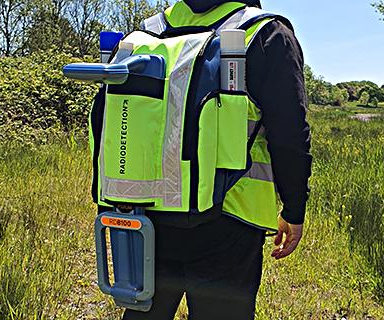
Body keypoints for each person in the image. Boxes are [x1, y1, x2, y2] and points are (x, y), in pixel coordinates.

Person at [93, 0, 312, 319]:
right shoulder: (263, 32)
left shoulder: (146, 33)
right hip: (229, 216)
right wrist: (294, 208)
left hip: (147, 214)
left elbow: (106, 122)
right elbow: (290, 130)